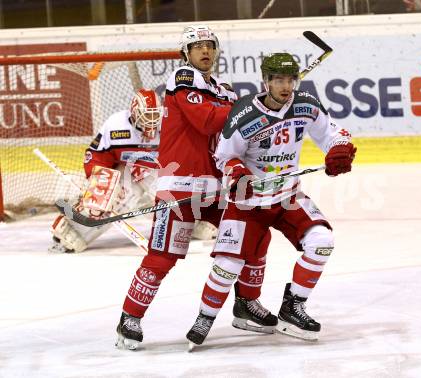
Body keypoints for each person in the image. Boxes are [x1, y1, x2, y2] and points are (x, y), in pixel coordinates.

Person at [115, 25, 276, 350]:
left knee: (257, 233)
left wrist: (265, 117)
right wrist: (245, 110)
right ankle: (129, 319)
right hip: (180, 188)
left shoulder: (225, 91)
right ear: (185, 53)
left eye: (209, 45)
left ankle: (246, 305)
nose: (205, 50)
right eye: (197, 46)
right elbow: (206, 120)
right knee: (162, 257)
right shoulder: (182, 80)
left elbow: (236, 135)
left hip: (217, 188)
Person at [186, 52, 357, 347]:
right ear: (265, 81)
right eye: (278, 79)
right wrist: (238, 175)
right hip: (248, 203)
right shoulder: (245, 114)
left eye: (290, 79)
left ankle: (293, 307)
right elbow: (225, 156)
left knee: (322, 241)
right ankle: (205, 316)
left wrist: (338, 148)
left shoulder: (305, 105)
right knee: (227, 266)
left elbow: (332, 133)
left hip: (287, 196)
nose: (286, 86)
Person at [50, 88, 217, 254]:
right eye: (147, 115)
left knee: (176, 188)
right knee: (116, 197)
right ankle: (73, 230)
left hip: (158, 171)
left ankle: (196, 220)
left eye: (155, 114)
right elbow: (95, 154)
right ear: (134, 112)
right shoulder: (116, 125)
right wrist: (102, 180)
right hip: (127, 170)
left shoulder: (171, 123)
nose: (152, 120)